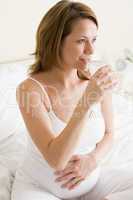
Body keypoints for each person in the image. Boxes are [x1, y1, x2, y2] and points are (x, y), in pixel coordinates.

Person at [11, 0, 133, 200]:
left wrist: (92, 160)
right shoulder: (30, 90)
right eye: (81, 41)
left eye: (93, 40)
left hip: (93, 185)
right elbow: (57, 160)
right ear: (55, 41)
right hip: (40, 189)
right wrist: (86, 101)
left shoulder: (95, 81)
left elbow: (110, 133)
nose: (91, 50)